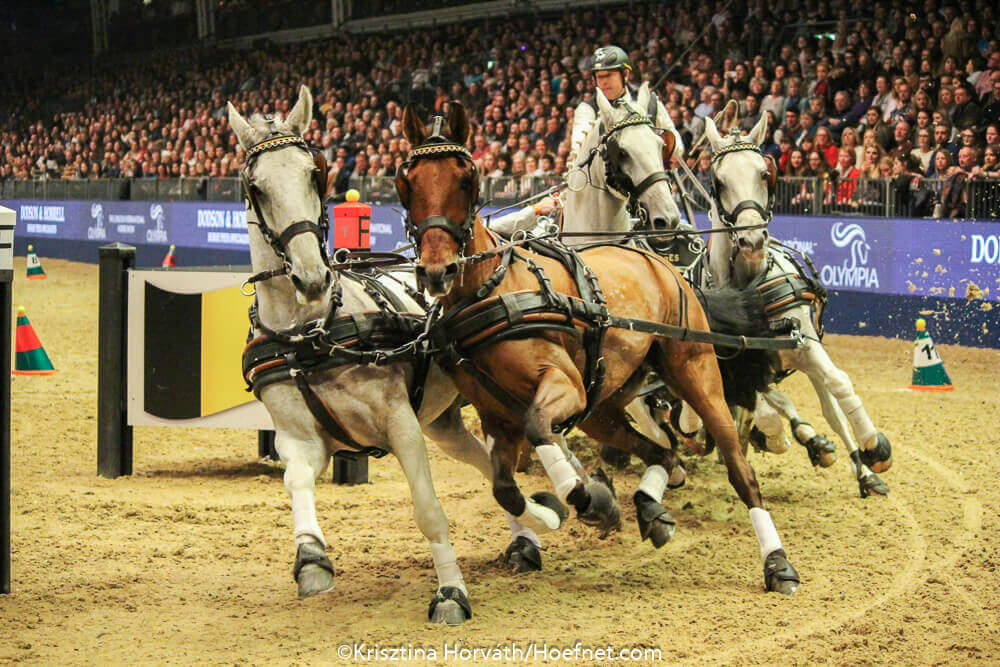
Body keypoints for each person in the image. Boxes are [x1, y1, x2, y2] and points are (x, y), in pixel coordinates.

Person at [569, 45, 683, 166]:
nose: (605, 82)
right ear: (594, 80)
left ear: (625, 74)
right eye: (600, 77)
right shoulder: (587, 109)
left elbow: (676, 147)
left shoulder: (650, 102)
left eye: (609, 75)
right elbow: (580, 150)